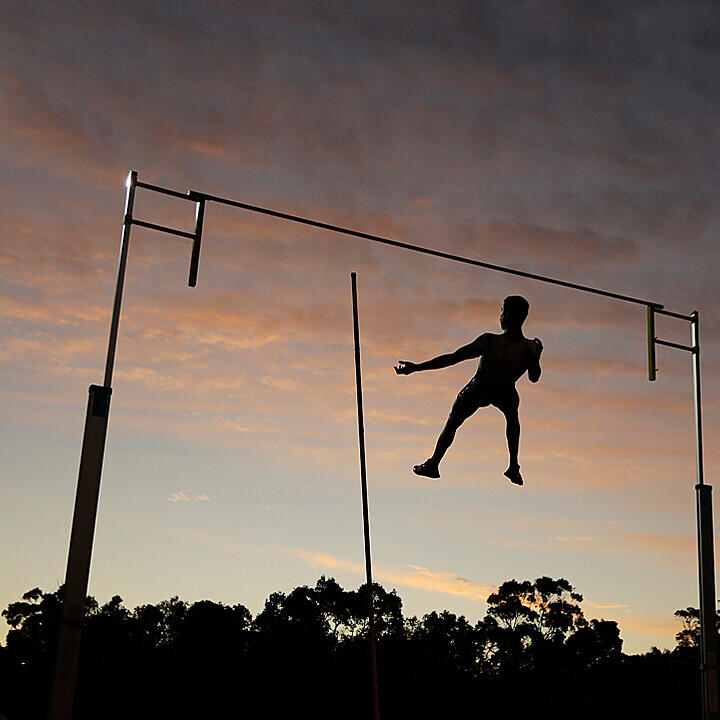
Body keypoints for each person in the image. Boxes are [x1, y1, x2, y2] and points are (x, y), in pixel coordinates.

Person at [394, 295, 542, 486]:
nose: (501, 315)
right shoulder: (528, 347)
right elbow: (534, 377)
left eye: (503, 311)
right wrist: (417, 368)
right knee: (510, 416)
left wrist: (416, 368)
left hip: (483, 387)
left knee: (456, 421)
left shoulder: (494, 342)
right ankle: (512, 465)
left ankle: (435, 464)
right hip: (499, 389)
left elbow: (454, 358)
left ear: (508, 315)